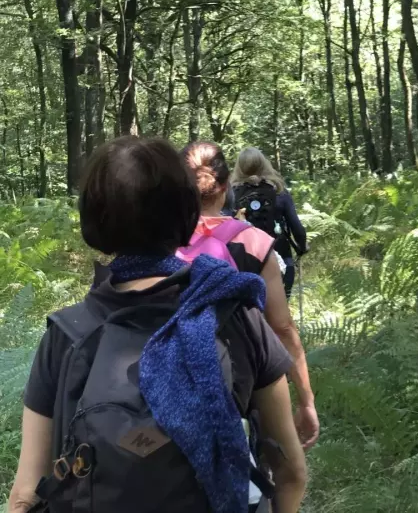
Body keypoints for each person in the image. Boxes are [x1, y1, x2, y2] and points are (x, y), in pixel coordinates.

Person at [8, 136, 306, 513]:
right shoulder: (236, 315)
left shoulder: (68, 333)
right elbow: (291, 472)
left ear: (94, 218)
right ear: (184, 210)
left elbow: (25, 494)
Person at [183, 141, 319, 451]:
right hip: (239, 377)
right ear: (223, 185)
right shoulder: (255, 236)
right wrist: (306, 400)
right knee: (289, 472)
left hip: (176, 374)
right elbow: (283, 329)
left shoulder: (161, 239)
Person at [232, 147, 308, 298]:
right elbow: (297, 228)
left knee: (253, 318)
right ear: (264, 165)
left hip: (245, 267)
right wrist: (302, 246)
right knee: (279, 317)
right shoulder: (279, 192)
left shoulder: (231, 195)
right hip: (282, 263)